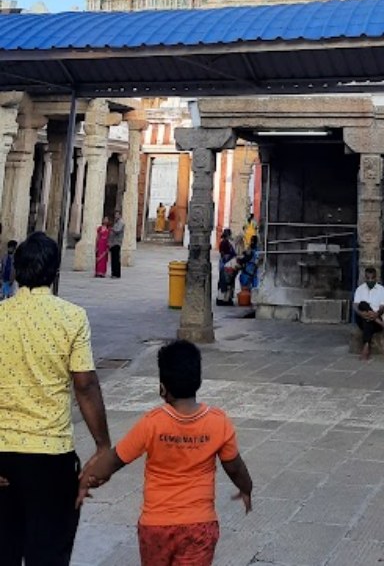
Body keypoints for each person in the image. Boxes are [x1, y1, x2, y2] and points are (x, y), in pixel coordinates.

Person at [78, 339, 252, 566]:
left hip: (155, 526)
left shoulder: (152, 424)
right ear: (198, 382)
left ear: (163, 388)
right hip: (199, 525)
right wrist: (246, 488)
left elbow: (114, 460)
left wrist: (87, 480)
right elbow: (235, 466)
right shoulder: (219, 423)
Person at [0, 231, 111, 566]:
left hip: (3, 455)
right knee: (48, 553)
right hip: (50, 456)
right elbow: (85, 385)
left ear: (16, 272)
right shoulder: (72, 317)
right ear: (54, 272)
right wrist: (103, 445)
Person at [353, 265, 384, 361]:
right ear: (365, 278)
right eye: (368, 278)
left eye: (372, 278)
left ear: (375, 278)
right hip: (362, 317)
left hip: (376, 320)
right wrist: (361, 314)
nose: (370, 281)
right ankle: (379, 322)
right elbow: (355, 305)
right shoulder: (360, 289)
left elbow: (382, 307)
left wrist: (376, 314)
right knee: (363, 304)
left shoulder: (383, 290)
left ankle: (366, 347)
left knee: (367, 320)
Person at [217, 229, 237, 306]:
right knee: (224, 281)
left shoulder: (228, 243)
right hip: (225, 264)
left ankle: (226, 298)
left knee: (228, 282)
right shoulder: (223, 243)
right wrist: (228, 259)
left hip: (228, 264)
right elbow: (223, 254)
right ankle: (222, 298)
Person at [108, 210, 124, 279]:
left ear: (120, 215)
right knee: (113, 259)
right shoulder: (116, 222)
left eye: (117, 215)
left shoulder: (121, 222)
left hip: (117, 243)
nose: (116, 216)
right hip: (113, 243)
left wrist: (112, 229)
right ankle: (113, 272)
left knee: (116, 259)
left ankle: (116, 273)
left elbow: (117, 230)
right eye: (115, 215)